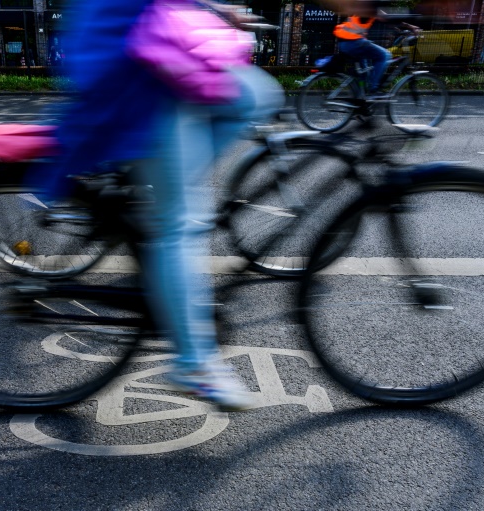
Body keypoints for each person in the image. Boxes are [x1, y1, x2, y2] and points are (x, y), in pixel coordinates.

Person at [36, 0, 284, 410]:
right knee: (182, 222)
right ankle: (193, 364)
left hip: (155, 42)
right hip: (142, 63)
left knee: (257, 93)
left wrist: (210, 7)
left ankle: (157, 196)